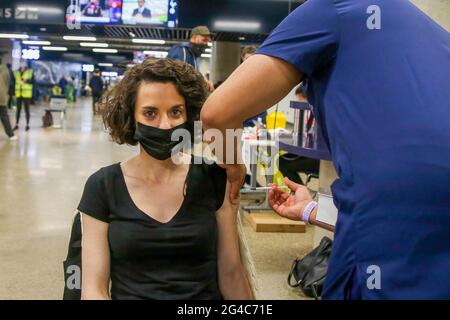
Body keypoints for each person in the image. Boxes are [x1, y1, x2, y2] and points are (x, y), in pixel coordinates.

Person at [200, 0, 450, 299]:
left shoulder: (333, 8)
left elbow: (217, 114)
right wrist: (309, 210)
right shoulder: (432, 32)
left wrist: (233, 165)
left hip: (389, 231)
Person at [78, 58, 253, 300]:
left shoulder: (212, 178)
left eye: (175, 112)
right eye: (150, 113)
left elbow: (231, 274)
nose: (165, 124)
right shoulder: (103, 186)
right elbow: (93, 290)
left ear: (189, 115)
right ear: (131, 116)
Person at [278, 84, 320, 185]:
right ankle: (301, 191)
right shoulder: (308, 116)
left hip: (322, 160)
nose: (300, 107)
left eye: (301, 102)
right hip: (310, 153)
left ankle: (301, 192)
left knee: (284, 164)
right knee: (281, 161)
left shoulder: (319, 115)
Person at [13, 61, 33, 132]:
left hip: (26, 94)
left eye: (23, 63)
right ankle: (16, 124)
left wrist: (26, 81)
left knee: (27, 110)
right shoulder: (16, 72)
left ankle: (27, 125)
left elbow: (33, 82)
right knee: (18, 110)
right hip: (19, 94)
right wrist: (13, 93)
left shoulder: (30, 72)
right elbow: (13, 83)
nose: (22, 64)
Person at [0, 59, 17, 141]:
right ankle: (11, 135)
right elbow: (9, 83)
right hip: (2, 97)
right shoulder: (6, 71)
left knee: (4, 115)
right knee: (4, 116)